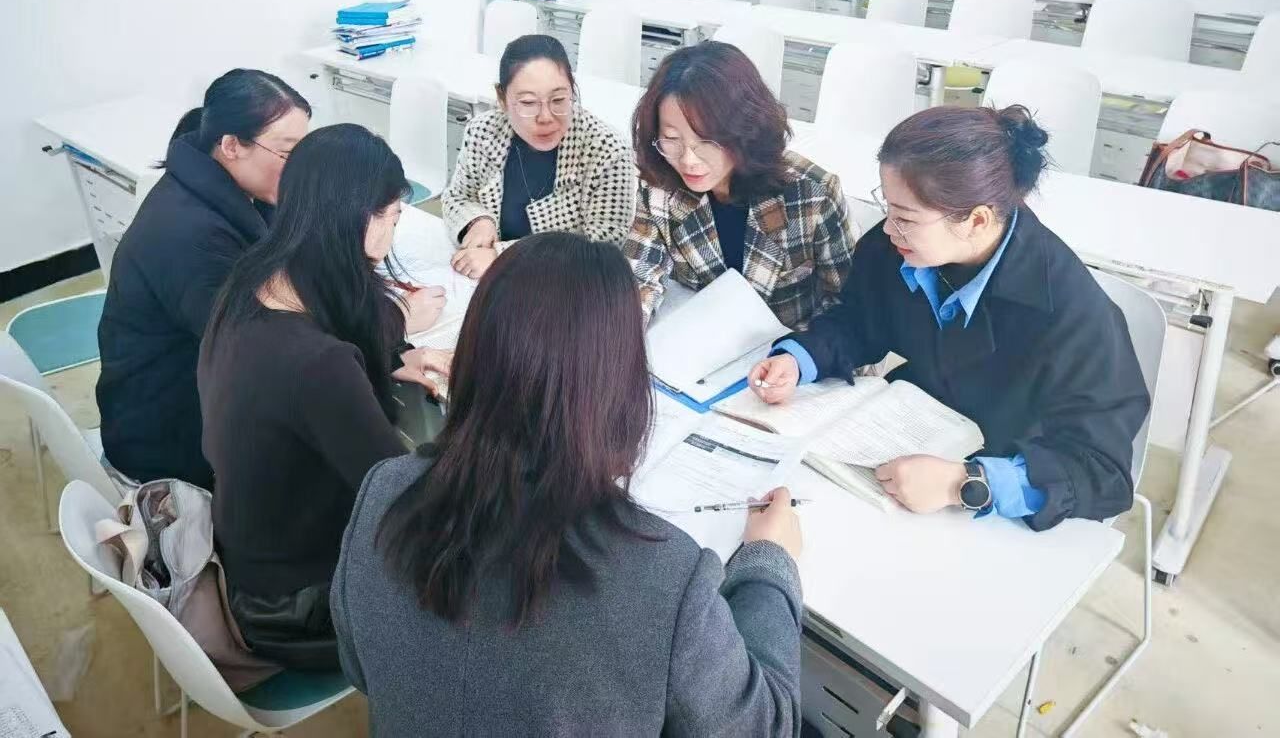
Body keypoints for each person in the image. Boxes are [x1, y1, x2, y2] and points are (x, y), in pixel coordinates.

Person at [332, 232, 804, 736]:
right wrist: (768, 564)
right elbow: (764, 726)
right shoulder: (665, 579)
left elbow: (361, 668)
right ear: (619, 383)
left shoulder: (384, 492)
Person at [748, 106, 1150, 531]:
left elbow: (1102, 472)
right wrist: (800, 359)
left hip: (1001, 491)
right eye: (889, 208)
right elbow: (859, 321)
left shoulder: (1074, 314)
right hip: (906, 444)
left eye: (906, 218)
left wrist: (965, 483)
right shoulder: (899, 247)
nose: (888, 229)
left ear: (977, 220)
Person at [198, 124, 450, 670]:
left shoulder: (252, 282)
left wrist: (388, 359)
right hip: (294, 607)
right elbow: (403, 502)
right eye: (393, 215)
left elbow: (333, 325)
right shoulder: (319, 366)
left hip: (250, 559)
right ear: (360, 221)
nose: (394, 230)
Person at [97, 69, 312, 488]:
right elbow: (264, 349)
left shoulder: (226, 187)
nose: (299, 168)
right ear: (231, 145)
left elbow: (291, 262)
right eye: (289, 152)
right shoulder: (190, 232)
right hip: (169, 444)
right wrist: (388, 326)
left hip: (190, 402)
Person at [624, 41, 856, 329]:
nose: (688, 160)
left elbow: (849, 306)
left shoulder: (813, 195)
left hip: (793, 347)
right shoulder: (660, 187)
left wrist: (797, 350)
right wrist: (619, 336)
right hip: (705, 340)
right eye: (671, 139)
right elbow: (639, 278)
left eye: (707, 141)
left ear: (745, 129)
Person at [441, 34, 637, 279]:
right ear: (502, 99)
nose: (545, 117)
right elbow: (457, 196)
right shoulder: (484, 131)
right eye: (528, 102)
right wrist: (478, 220)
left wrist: (501, 257)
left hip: (562, 287)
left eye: (559, 100)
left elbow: (603, 246)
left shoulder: (607, 149)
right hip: (486, 283)